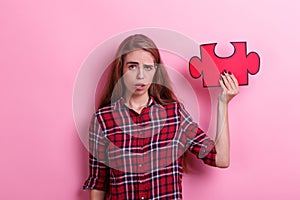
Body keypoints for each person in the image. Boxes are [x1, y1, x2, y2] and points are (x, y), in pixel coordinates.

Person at [83, 34, 239, 200]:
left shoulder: (175, 115)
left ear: (155, 70)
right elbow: (99, 183)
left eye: (148, 67)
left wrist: (223, 103)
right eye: (132, 67)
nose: (140, 76)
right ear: (121, 69)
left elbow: (221, 159)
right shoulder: (103, 120)